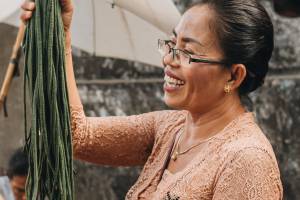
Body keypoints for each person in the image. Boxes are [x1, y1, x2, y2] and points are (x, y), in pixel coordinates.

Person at [21, 0, 283, 199]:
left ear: (234, 75)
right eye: (171, 44)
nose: (168, 59)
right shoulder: (170, 129)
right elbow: (75, 135)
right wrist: (59, 34)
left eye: (187, 52)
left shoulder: (247, 160)